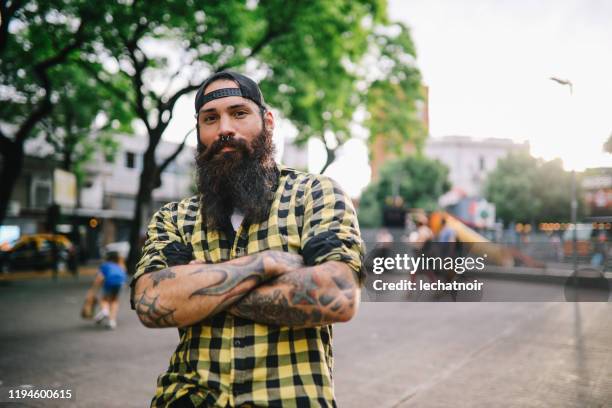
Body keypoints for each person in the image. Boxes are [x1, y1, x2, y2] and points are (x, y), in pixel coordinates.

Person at [130, 71, 364, 407]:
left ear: (267, 122)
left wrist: (199, 288)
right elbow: (151, 304)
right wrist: (267, 264)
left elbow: (337, 295)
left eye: (239, 113)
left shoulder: (315, 195)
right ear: (199, 132)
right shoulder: (174, 218)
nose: (225, 128)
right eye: (210, 119)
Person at [92, 251, 127, 329]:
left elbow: (100, 278)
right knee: (115, 301)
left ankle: (105, 310)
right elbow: (124, 274)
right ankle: (112, 321)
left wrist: (94, 289)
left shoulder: (105, 265)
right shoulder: (120, 266)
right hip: (119, 283)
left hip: (109, 282)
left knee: (104, 299)